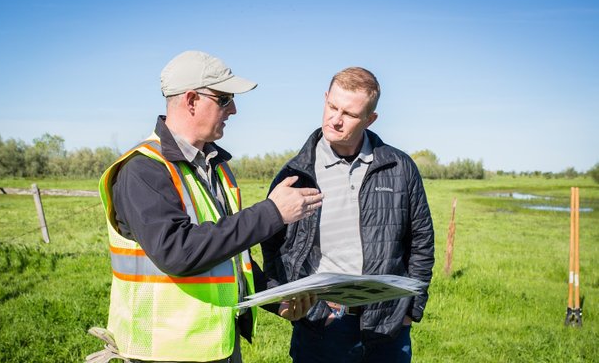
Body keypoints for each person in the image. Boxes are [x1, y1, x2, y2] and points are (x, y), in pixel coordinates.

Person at [88, 50, 322, 363]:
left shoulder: (214, 166)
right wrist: (272, 213)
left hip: (216, 348)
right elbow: (178, 252)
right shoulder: (143, 170)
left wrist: (275, 299)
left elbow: (229, 255)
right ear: (191, 100)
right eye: (224, 99)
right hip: (163, 353)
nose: (234, 109)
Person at [261, 67, 435, 363]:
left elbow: (421, 242)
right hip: (322, 328)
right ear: (325, 98)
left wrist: (409, 312)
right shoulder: (294, 174)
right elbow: (274, 248)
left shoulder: (400, 167)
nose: (335, 120)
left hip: (387, 329)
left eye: (350, 114)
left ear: (370, 119)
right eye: (332, 106)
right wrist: (299, 308)